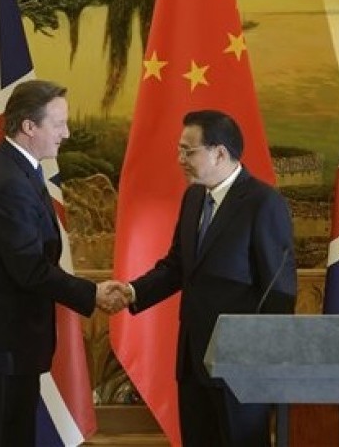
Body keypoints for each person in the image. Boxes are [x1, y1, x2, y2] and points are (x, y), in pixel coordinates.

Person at [0, 79, 126, 446]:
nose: (66, 133)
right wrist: (92, 294)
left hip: (9, 340)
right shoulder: (8, 182)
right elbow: (30, 269)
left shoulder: (15, 167)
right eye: (58, 123)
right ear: (29, 126)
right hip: (1, 342)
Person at [121, 109, 296, 446]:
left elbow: (279, 291)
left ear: (219, 152)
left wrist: (262, 368)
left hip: (241, 368)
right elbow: (177, 267)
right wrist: (131, 292)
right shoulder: (194, 197)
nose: (180, 158)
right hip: (193, 362)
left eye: (189, 151)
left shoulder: (262, 202)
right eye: (179, 149)